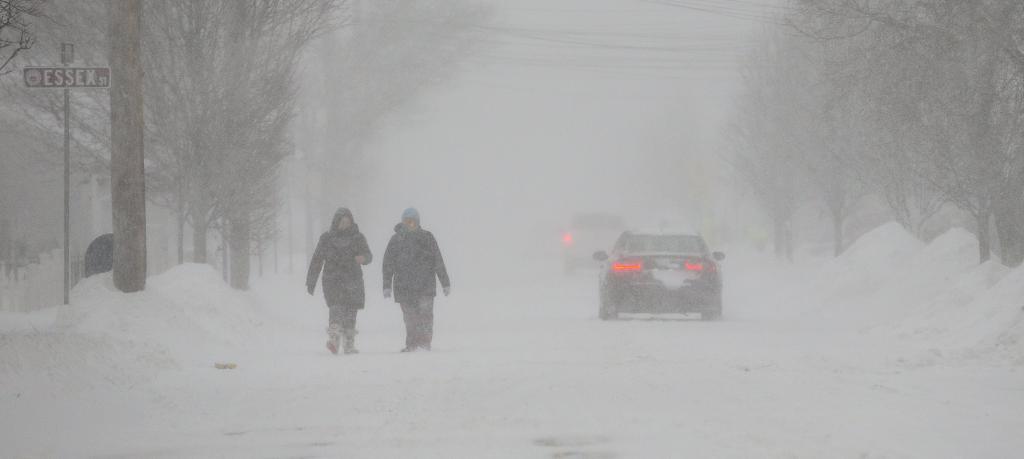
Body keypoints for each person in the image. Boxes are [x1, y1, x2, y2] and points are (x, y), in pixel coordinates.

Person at [382, 208, 450, 352]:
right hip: (403, 287)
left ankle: (425, 343)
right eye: (407, 221)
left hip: (425, 286)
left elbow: (438, 260)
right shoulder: (396, 240)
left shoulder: (427, 238)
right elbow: (388, 263)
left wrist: (445, 282)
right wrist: (386, 285)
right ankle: (411, 344)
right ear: (403, 222)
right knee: (410, 318)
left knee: (425, 316)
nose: (410, 223)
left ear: (418, 222)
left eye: (413, 221)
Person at [307, 208, 373, 355]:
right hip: (333, 280)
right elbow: (317, 260)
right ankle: (334, 339)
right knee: (335, 309)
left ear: (351, 222)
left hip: (353, 279)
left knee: (351, 311)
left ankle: (349, 343)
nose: (344, 225)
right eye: (342, 222)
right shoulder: (327, 238)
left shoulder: (358, 237)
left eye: (347, 222)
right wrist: (311, 281)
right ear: (336, 222)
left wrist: (364, 258)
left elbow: (369, 255)